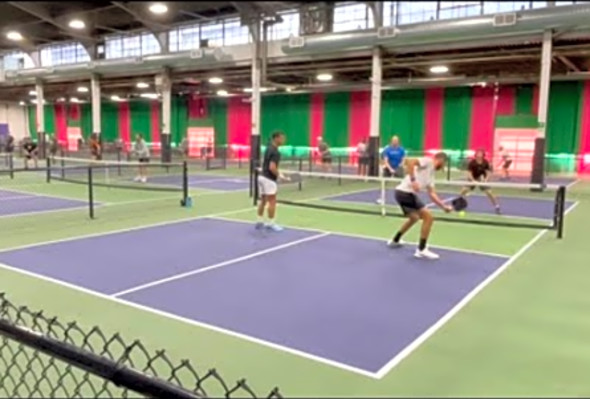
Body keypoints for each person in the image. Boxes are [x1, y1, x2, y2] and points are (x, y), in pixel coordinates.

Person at [387, 152, 452, 260]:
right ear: (441, 160)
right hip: (404, 193)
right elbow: (410, 162)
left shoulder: (431, 175)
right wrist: (413, 181)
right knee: (429, 217)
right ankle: (421, 249)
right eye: (444, 163)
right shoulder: (428, 161)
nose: (443, 166)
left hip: (405, 194)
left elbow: (432, 193)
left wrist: (443, 206)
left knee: (414, 218)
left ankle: (395, 240)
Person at [256, 131, 289, 232]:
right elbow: (272, 167)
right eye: (281, 138)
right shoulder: (276, 152)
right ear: (276, 138)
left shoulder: (268, 148)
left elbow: (266, 164)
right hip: (268, 179)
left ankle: (259, 221)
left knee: (263, 200)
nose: (283, 140)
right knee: (272, 202)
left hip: (261, 177)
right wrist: (280, 176)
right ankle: (271, 223)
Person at [460, 149, 501, 214]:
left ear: (483, 155)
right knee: (463, 190)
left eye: (480, 153)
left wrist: (486, 180)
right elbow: (469, 173)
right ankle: (461, 205)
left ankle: (497, 206)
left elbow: (488, 173)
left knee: (489, 192)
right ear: (476, 155)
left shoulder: (485, 162)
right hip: (472, 178)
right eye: (478, 153)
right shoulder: (472, 162)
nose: (479, 155)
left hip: (482, 179)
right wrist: (473, 180)